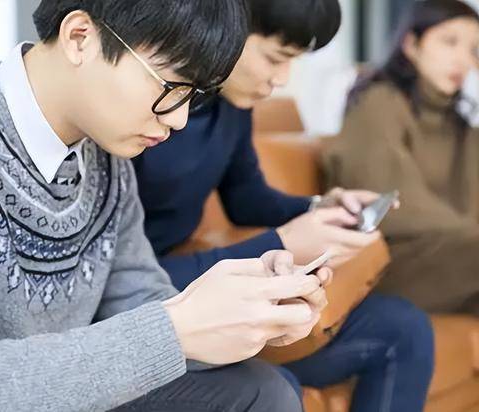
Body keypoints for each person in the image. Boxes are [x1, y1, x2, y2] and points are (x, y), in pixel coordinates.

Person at [0, 1, 334, 411]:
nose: (179, 119)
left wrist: (249, 311)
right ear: (80, 37)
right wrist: (175, 330)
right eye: (170, 87)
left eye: (194, 97)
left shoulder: (104, 155)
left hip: (57, 394)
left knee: (262, 391)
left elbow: (141, 302)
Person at [133, 0, 435, 410]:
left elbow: (247, 199)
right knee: (275, 386)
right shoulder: (141, 118)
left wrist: (320, 206)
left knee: (404, 328)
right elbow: (121, 281)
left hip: (193, 291)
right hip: (151, 302)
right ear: (226, 27)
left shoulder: (230, 106)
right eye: (276, 58)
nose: (283, 79)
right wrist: (283, 242)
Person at [323, 0, 479, 315]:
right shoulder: (378, 103)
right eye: (449, 42)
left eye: (474, 50)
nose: (463, 60)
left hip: (458, 256)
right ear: (411, 44)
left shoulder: (461, 126)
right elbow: (392, 204)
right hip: (390, 262)